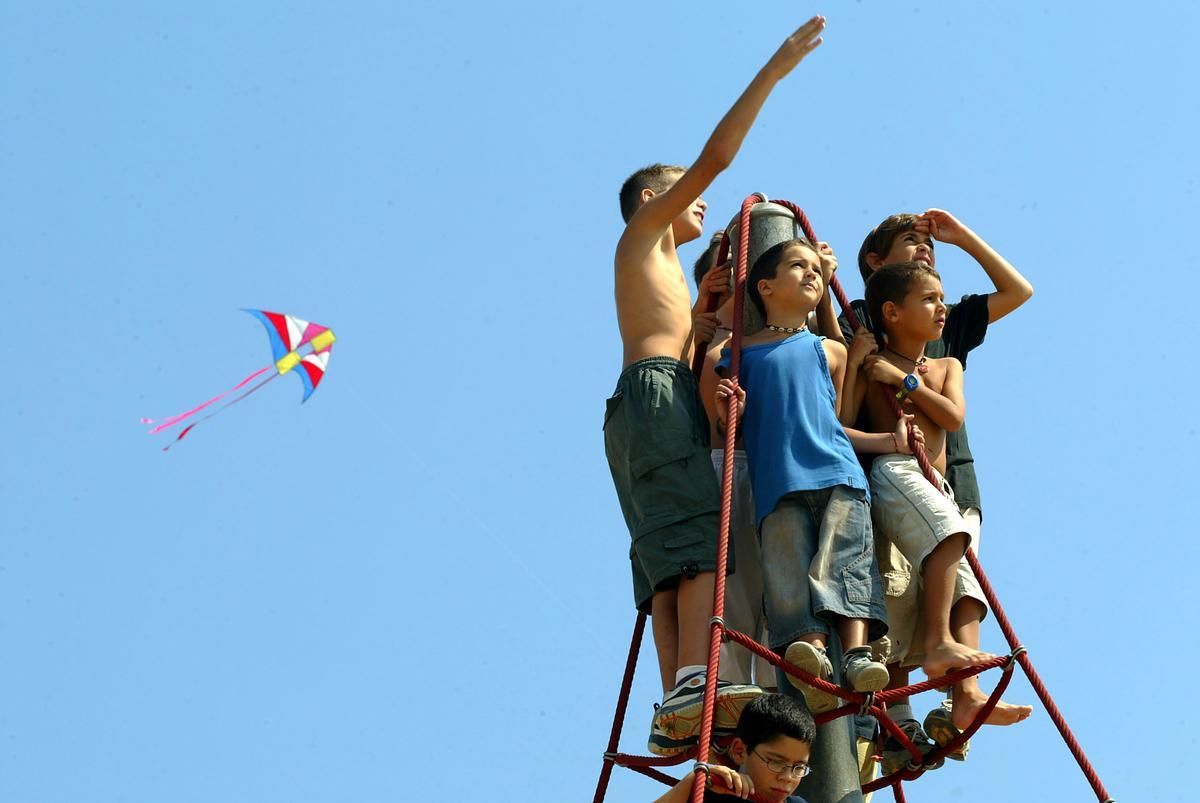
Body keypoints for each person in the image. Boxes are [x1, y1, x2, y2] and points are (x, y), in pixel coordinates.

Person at [605, 16, 827, 756]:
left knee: (670, 554)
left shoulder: (663, 277)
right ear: (648, 201)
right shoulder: (644, 238)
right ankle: (699, 675)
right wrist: (774, 70)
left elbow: (710, 331)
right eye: (679, 195)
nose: (697, 203)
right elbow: (716, 158)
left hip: (642, 397)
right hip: (655, 391)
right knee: (704, 543)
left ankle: (681, 692)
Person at [839, 211, 1034, 767]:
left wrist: (963, 236)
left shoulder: (943, 341)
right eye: (912, 244)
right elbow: (843, 390)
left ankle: (964, 692)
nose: (927, 254)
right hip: (889, 467)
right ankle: (893, 713)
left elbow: (1018, 290)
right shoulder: (862, 323)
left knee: (962, 579)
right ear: (877, 268)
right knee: (897, 586)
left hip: (948, 477)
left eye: (932, 250)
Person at [714, 239, 920, 716]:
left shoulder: (830, 350)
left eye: (815, 268)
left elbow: (833, 424)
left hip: (838, 472)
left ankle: (856, 653)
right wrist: (735, 409)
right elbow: (729, 424)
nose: (811, 273)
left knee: (847, 559)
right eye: (796, 266)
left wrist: (888, 443)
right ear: (764, 287)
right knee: (788, 570)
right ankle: (810, 657)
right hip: (777, 483)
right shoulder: (737, 353)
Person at [655, 694, 815, 803]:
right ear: (739, 751)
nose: (788, 777)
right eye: (777, 762)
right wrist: (693, 780)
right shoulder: (713, 793)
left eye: (799, 767)